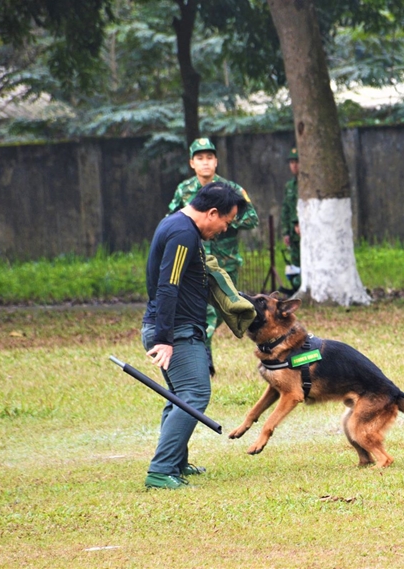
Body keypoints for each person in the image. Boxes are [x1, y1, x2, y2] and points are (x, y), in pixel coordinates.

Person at [142, 182, 247, 490]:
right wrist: (164, 337)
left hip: (175, 327)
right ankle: (161, 471)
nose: (225, 229)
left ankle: (175, 462)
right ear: (212, 212)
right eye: (226, 221)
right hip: (177, 331)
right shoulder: (183, 234)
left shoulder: (175, 224)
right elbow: (168, 285)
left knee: (178, 398)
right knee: (194, 395)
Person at [168, 138, 259, 367]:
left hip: (224, 262)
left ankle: (201, 351)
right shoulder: (184, 189)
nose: (205, 163)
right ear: (192, 163)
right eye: (200, 158)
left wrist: (226, 222)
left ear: (216, 161)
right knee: (205, 311)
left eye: (209, 158)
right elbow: (172, 216)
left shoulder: (231, 190)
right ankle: (203, 359)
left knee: (222, 311)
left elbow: (251, 218)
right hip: (194, 260)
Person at [280, 146, 301, 292]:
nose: (294, 165)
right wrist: (286, 231)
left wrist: (299, 223)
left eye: (297, 161)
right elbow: (286, 209)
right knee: (294, 263)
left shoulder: (306, 185)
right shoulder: (289, 186)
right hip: (293, 235)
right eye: (291, 162)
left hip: (304, 232)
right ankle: (297, 289)